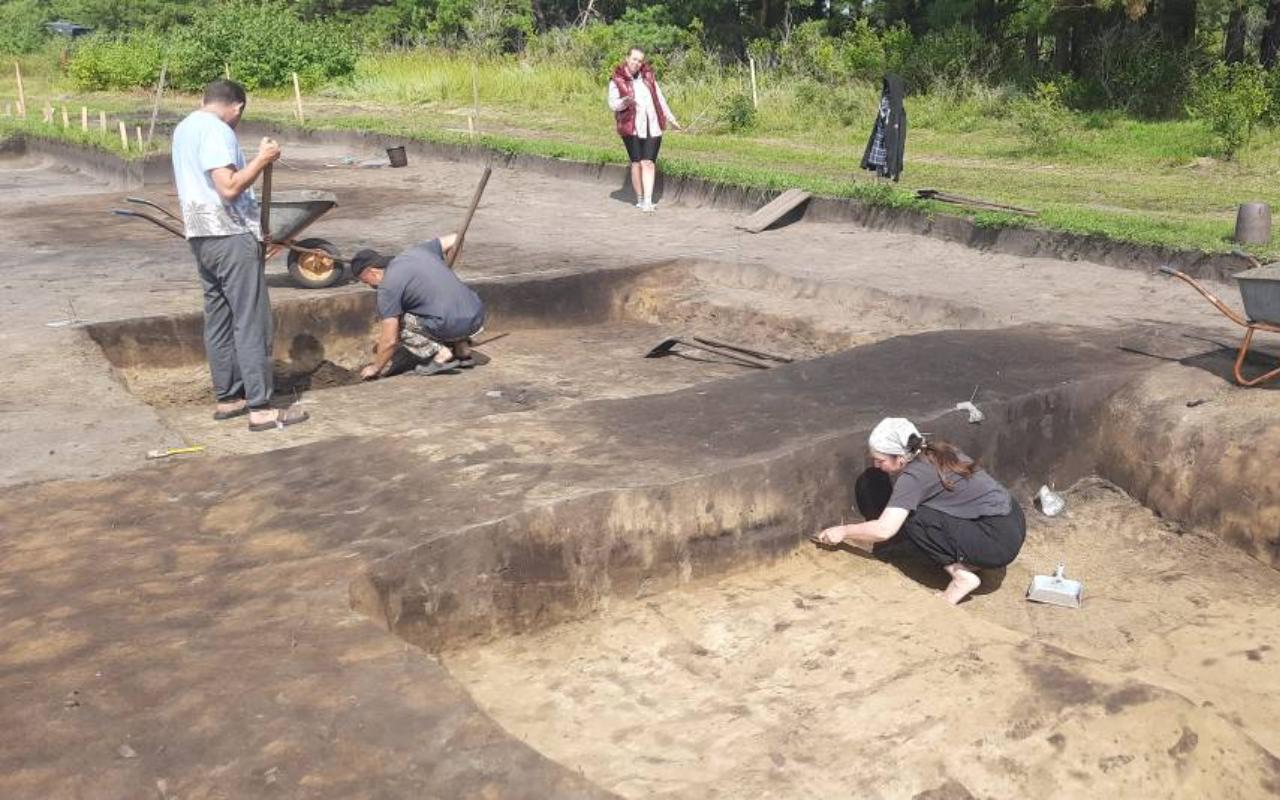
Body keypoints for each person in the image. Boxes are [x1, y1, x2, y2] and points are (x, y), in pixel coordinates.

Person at [171, 78, 308, 432]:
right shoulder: (217, 130)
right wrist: (262, 159)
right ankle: (261, 409)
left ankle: (229, 397)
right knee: (251, 320)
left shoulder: (185, 128)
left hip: (202, 236)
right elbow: (228, 187)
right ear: (237, 107)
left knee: (218, 318)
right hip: (229, 236)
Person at [816, 418, 1025, 604]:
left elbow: (884, 530)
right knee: (923, 511)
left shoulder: (913, 477)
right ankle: (972, 561)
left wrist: (842, 531)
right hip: (1012, 521)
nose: (876, 465)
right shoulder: (938, 451)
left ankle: (962, 577)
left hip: (996, 542)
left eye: (880, 460)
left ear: (900, 458)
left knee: (914, 518)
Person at [349, 235, 486, 379]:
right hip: (477, 317)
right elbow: (455, 238)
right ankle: (463, 351)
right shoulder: (417, 252)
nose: (370, 286)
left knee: (401, 321)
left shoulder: (388, 288)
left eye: (365, 281)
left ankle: (440, 355)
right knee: (439, 308)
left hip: (449, 322)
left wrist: (376, 367)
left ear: (372, 272)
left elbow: (390, 339)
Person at [607, 47, 681, 212]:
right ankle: (640, 199)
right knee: (637, 163)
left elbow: (660, 99)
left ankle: (648, 200)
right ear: (627, 58)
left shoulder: (648, 78)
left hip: (652, 125)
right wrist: (625, 102)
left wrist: (671, 119)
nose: (637, 63)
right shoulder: (616, 80)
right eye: (634, 59)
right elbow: (613, 103)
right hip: (631, 127)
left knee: (648, 162)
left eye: (640, 60)